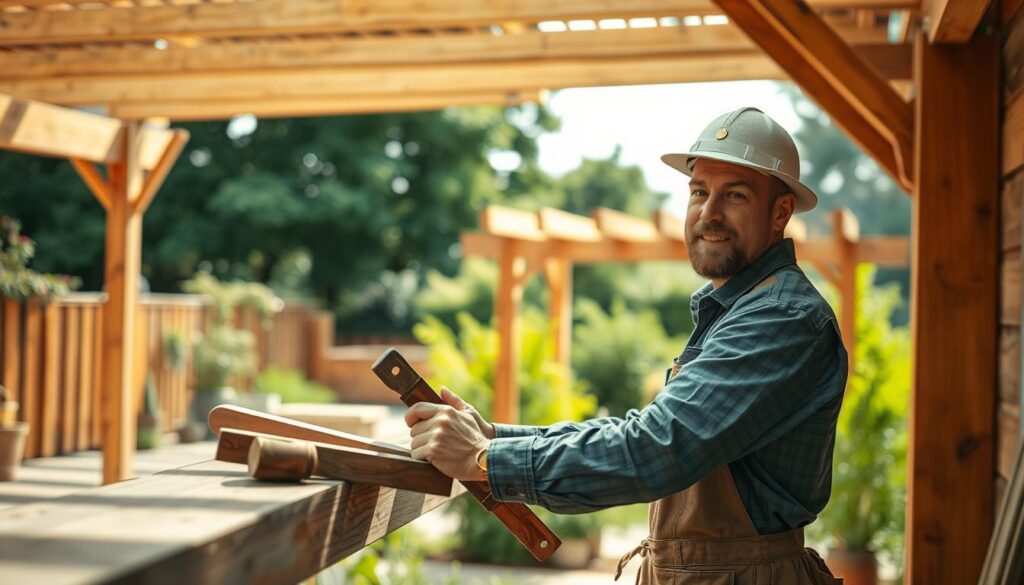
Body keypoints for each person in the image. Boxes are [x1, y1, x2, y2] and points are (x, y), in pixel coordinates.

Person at [405, 107, 847, 584]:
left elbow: (656, 447)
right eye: (699, 192)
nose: (709, 212)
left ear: (780, 212)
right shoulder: (739, 308)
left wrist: (484, 458)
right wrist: (493, 437)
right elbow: (642, 431)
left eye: (734, 195)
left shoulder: (781, 317)